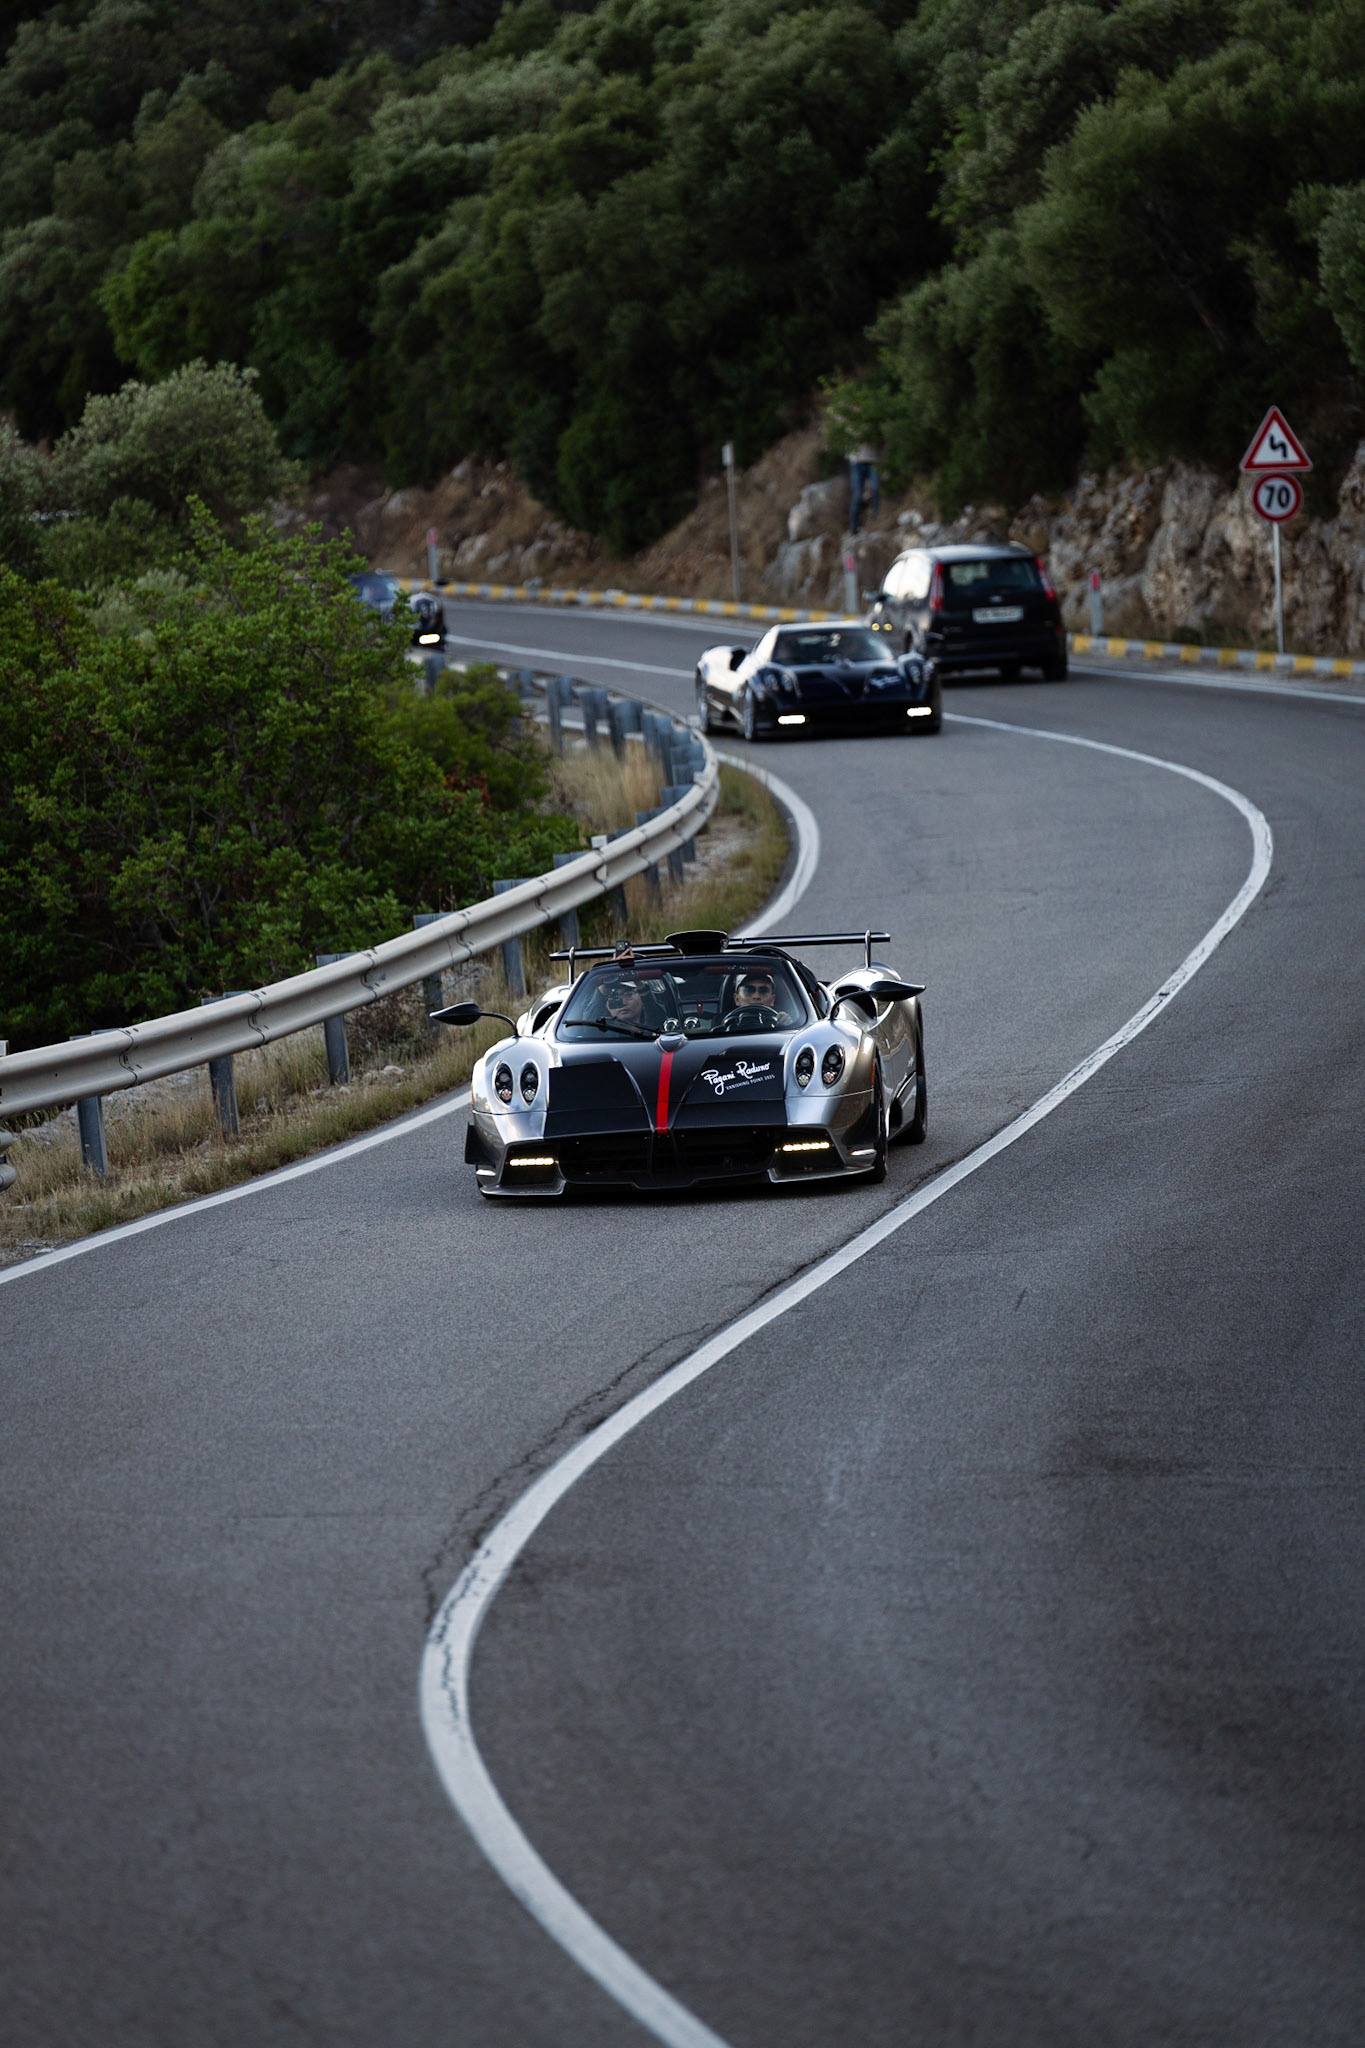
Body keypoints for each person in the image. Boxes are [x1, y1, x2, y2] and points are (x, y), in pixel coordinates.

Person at [722, 967, 793, 1031]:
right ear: (736, 999)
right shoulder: (721, 1025)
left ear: (772, 1000)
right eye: (749, 990)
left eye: (763, 991)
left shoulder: (780, 1022)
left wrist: (788, 1026)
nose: (756, 996)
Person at [848, 443, 880, 536]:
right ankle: (854, 528)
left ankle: (875, 521)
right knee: (857, 496)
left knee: (875, 489)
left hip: (873, 461)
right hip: (856, 462)